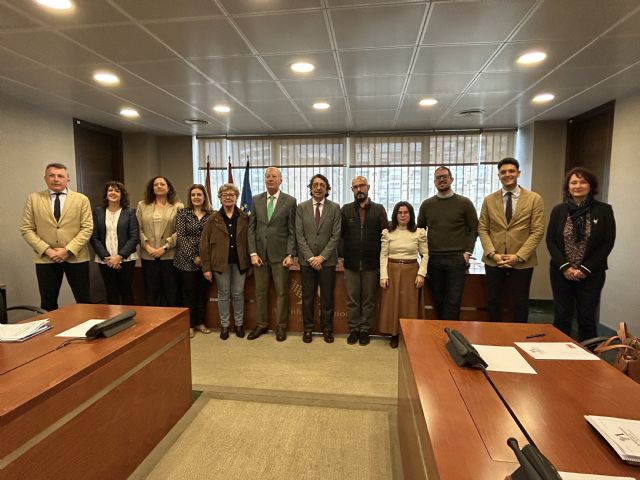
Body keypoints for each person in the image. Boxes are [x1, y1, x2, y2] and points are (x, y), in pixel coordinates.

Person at [546, 167, 615, 341]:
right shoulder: (559, 210)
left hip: (591, 273)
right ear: (568, 186)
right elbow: (551, 241)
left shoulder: (604, 210)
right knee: (562, 316)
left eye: (583, 182)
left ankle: (589, 354)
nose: (578, 186)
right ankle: (559, 351)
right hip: (561, 272)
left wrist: (584, 268)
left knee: (587, 317)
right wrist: (565, 267)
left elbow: (607, 242)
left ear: (591, 186)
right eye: (574, 182)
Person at [478, 158, 544, 323]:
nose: (507, 174)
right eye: (503, 172)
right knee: (493, 302)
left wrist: (518, 256)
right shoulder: (489, 200)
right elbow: (483, 229)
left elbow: (537, 231)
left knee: (520, 304)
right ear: (498, 176)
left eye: (511, 171)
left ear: (518, 173)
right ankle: (493, 334)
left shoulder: (534, 199)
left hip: (522, 261)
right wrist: (493, 254)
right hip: (494, 260)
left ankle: (519, 335)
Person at [20, 163, 93, 311]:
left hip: (76, 257)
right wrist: (48, 251)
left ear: (67, 179)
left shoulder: (81, 199)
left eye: (60, 176)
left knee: (84, 299)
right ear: (45, 178)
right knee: (48, 302)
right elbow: (26, 228)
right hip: (46, 258)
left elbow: (87, 228)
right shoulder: (33, 199)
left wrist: (67, 250)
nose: (56, 179)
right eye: (52, 175)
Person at [417, 166, 478, 320]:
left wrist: (467, 253)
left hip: (456, 259)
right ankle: (441, 330)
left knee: (453, 301)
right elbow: (420, 231)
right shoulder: (427, 205)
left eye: (444, 176)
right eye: (438, 178)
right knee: (438, 300)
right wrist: (423, 255)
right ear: (434, 182)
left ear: (451, 179)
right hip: (434, 259)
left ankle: (450, 332)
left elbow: (474, 228)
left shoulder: (464, 203)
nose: (441, 180)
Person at [247, 167, 297, 341]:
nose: (270, 179)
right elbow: (251, 228)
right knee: (260, 292)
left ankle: (281, 326)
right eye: (267, 176)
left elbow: (292, 230)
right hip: (260, 256)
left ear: (280, 180)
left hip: (280, 256)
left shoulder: (290, 201)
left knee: (281, 293)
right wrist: (253, 253)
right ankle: (261, 324)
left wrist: (290, 254)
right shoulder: (256, 200)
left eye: (274, 176)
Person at [341, 175, 388, 346]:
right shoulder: (345, 210)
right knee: (352, 299)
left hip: (371, 264)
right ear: (352, 190)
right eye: (355, 187)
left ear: (368, 187)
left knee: (368, 300)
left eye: (362, 186)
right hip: (351, 264)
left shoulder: (379, 209)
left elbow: (385, 236)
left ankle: (365, 330)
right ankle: (354, 329)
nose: (359, 189)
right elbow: (340, 235)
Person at [200, 183, 251, 341]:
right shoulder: (213, 219)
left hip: (240, 262)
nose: (228, 197)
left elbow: (250, 241)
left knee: (238, 293)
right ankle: (224, 325)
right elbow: (204, 244)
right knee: (223, 294)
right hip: (219, 263)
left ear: (236, 197)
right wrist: (206, 268)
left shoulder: (244, 217)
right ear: (220, 198)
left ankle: (239, 324)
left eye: (231, 195)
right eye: (225, 195)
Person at [296, 174, 341, 343]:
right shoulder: (301, 208)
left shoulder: (335, 208)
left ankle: (327, 329)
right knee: (307, 297)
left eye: (322, 185)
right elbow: (299, 235)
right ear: (310, 188)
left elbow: (336, 235)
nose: (318, 187)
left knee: (327, 297)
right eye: (315, 184)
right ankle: (308, 329)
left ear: (327, 188)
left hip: (327, 262)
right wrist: (310, 257)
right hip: (306, 262)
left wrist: (321, 257)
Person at [379, 202, 428, 348]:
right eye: (399, 212)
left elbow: (425, 254)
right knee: (393, 304)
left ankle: (408, 334)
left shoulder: (419, 232)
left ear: (411, 214)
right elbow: (383, 255)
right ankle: (394, 334)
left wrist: (421, 274)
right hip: (392, 271)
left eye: (406, 212)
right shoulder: (387, 232)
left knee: (409, 305)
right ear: (395, 215)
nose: (402, 215)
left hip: (411, 272)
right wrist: (383, 275)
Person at [136, 176, 183, 306]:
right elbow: (137, 228)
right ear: (152, 188)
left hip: (169, 255)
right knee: (152, 291)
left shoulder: (178, 206)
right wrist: (147, 247)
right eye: (156, 184)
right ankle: (154, 317)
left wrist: (165, 247)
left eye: (162, 184)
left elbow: (180, 231)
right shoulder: (142, 205)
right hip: (148, 255)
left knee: (170, 290)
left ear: (168, 188)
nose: (159, 186)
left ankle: (171, 318)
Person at [90, 181, 139, 305]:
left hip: (126, 259)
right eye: (110, 190)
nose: (113, 193)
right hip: (105, 260)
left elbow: (134, 236)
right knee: (111, 291)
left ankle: (129, 315)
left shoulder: (129, 212)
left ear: (122, 195)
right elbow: (94, 237)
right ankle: (114, 317)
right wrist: (107, 257)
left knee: (126, 291)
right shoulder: (97, 212)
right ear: (106, 194)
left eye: (117, 191)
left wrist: (119, 256)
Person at [174, 184, 213, 339]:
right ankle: (189, 324)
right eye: (193, 195)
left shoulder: (212, 214)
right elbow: (181, 237)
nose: (196, 197)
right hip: (185, 260)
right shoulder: (183, 213)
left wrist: (204, 258)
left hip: (206, 260)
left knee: (202, 293)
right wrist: (194, 257)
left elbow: (213, 237)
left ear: (204, 197)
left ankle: (200, 322)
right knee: (188, 294)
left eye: (199, 194)